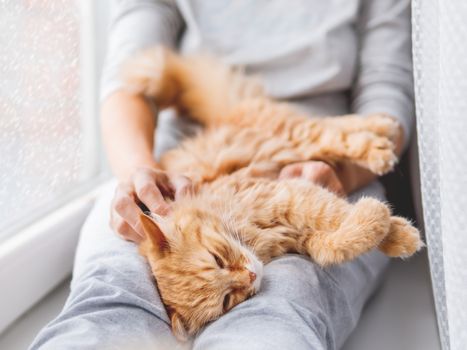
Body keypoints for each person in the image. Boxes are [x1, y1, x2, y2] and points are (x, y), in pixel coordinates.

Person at [30, 1, 414, 349]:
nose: (247, 277)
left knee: (283, 303)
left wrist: (339, 172)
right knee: (112, 294)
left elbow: (387, 96)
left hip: (329, 156)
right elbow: (130, 74)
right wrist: (138, 176)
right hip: (178, 165)